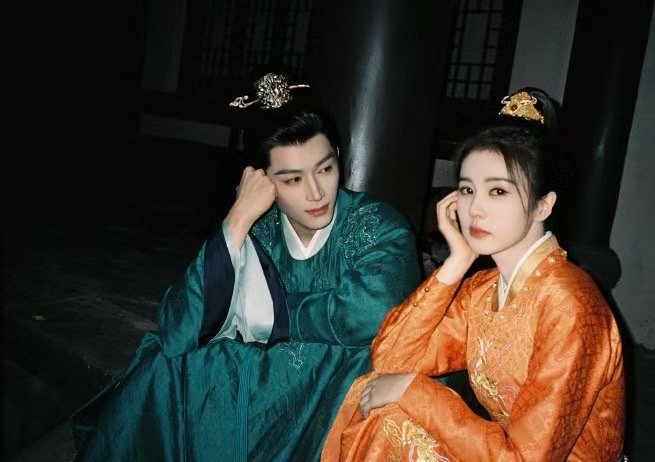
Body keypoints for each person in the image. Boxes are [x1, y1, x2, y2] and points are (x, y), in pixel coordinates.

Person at [72, 73, 421, 461]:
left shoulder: (376, 224)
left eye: (325, 169)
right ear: (263, 181)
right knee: (167, 363)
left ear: (338, 156)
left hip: (341, 384)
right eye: (292, 179)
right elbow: (177, 329)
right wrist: (237, 219)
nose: (316, 192)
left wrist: (273, 314)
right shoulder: (261, 229)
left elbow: (375, 311)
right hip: (271, 383)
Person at [321, 88, 626, 461]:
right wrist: (456, 263)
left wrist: (417, 392)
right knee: (384, 407)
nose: (475, 208)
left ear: (543, 205)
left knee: (399, 407)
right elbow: (391, 358)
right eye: (467, 189)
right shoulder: (483, 290)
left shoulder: (571, 305)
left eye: (497, 191)